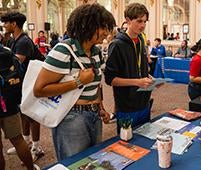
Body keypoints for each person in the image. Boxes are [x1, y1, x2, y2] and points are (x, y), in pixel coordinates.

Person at [33, 3, 115, 160]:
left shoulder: (96, 52)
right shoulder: (63, 50)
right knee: (74, 163)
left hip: (94, 114)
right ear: (88, 25)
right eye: (103, 27)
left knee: (93, 161)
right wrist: (78, 81)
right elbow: (39, 89)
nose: (106, 33)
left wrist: (100, 107)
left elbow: (96, 84)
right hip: (71, 117)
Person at [1, 11, 45, 162]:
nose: (4, 25)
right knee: (24, 113)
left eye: (6, 22)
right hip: (21, 84)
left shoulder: (24, 41)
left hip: (31, 83)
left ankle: (37, 147)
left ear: (14, 24)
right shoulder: (13, 40)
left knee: (32, 115)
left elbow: (13, 64)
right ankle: (26, 141)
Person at [104, 3, 153, 132]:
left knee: (145, 141)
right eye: (139, 21)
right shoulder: (116, 45)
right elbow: (110, 79)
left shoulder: (141, 40)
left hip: (144, 103)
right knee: (126, 146)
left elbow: (140, 68)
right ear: (128, 20)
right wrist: (137, 82)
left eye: (145, 22)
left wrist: (147, 77)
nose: (142, 25)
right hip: (127, 106)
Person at [0, 45, 39, 170]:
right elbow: (20, 72)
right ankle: (30, 168)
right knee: (18, 139)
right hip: (9, 103)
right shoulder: (7, 52)